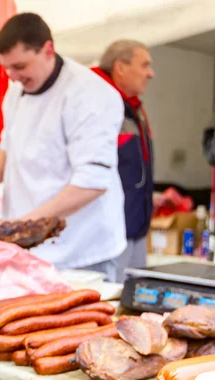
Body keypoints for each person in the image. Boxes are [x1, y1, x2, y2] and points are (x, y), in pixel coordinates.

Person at [0, 13, 127, 279]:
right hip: (27, 248)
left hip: (81, 253)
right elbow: (9, 139)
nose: (12, 77)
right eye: (7, 68)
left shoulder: (91, 95)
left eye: (20, 66)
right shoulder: (15, 91)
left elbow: (91, 183)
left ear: (48, 50)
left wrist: (20, 224)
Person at [92, 40, 155, 279]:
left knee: (136, 299)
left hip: (136, 226)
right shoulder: (97, 102)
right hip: (110, 233)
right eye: (145, 65)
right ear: (120, 67)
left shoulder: (133, 106)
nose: (151, 74)